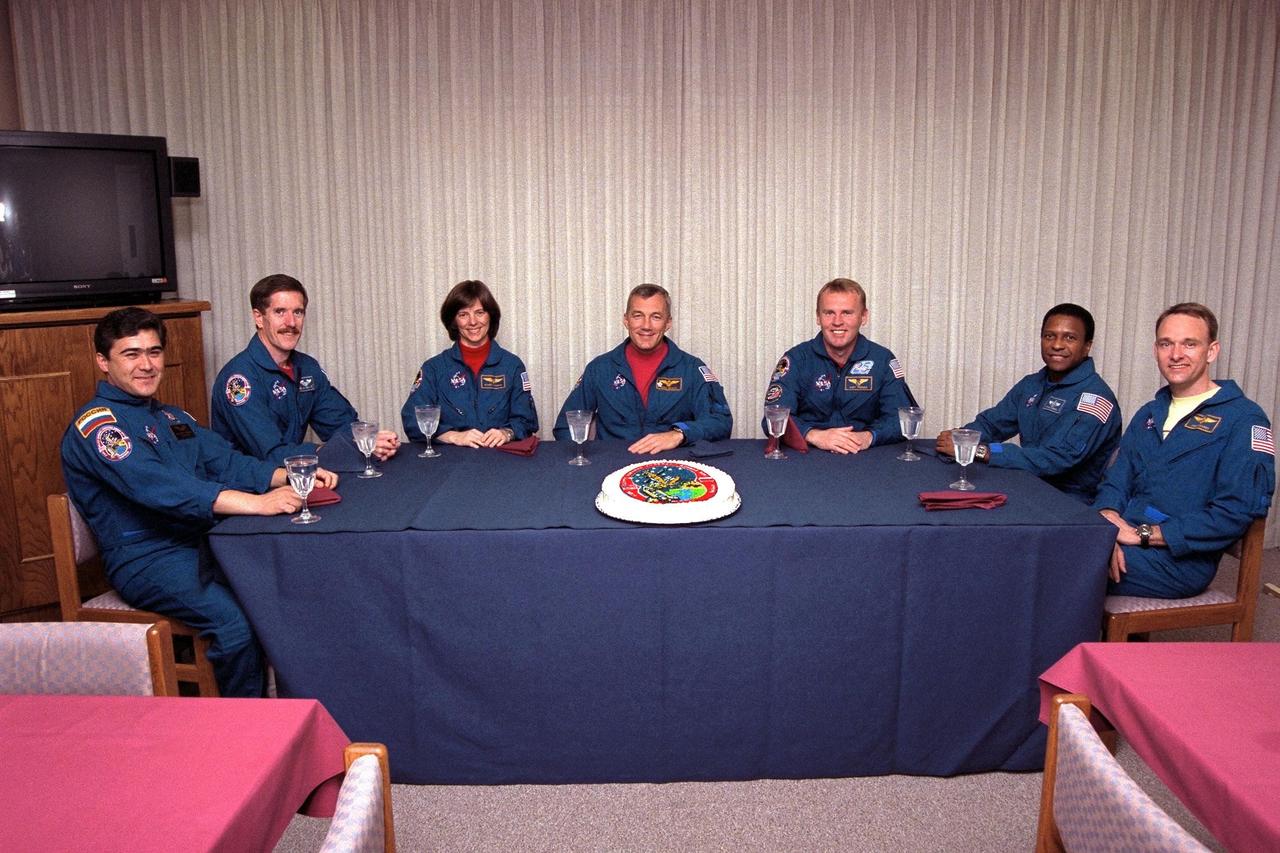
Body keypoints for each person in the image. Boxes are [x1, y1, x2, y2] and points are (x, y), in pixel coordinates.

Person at [60, 307, 339, 697]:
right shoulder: (100, 427)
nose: (146, 365)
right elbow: (162, 488)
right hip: (148, 559)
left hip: (200, 543)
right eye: (131, 354)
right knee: (237, 625)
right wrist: (257, 503)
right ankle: (245, 729)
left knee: (287, 589)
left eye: (154, 352)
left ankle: (298, 710)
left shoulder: (171, 417)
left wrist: (287, 475)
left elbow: (223, 460)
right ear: (103, 362)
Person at [1094, 302, 1274, 598]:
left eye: (1189, 344)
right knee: (1054, 551)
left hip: (1178, 561)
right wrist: (1106, 521)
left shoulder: (1244, 419)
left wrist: (1142, 535)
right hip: (1121, 536)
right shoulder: (1150, 413)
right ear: (1156, 350)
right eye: (1166, 344)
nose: (1176, 354)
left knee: (1061, 565)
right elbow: (1116, 479)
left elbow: (1235, 512)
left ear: (1211, 351)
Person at [935, 304, 1121, 501]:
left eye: (1070, 338)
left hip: (1066, 502)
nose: (1057, 345)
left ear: (1087, 346)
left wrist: (980, 451)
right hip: (1025, 485)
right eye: (1049, 336)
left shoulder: (1096, 400)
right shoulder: (1032, 384)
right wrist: (962, 438)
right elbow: (993, 424)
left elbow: (1057, 458)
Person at [211, 273, 399, 465]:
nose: (291, 323)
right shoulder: (239, 380)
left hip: (298, 477)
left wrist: (368, 441)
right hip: (250, 488)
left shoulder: (307, 368)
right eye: (280, 312)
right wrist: (332, 450)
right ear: (259, 317)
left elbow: (339, 423)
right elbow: (272, 454)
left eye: (298, 312)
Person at [553, 284, 732, 452]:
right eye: (638, 315)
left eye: (656, 317)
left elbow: (721, 422)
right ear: (626, 320)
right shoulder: (599, 369)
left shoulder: (692, 369)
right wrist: (585, 463)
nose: (646, 325)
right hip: (611, 467)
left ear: (668, 323)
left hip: (672, 467)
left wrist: (680, 434)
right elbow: (565, 426)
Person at [762, 278, 913, 453]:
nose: (837, 321)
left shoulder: (882, 360)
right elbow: (773, 415)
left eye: (847, 313)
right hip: (808, 456)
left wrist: (868, 436)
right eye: (829, 313)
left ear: (863, 317)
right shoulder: (796, 359)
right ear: (818, 317)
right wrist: (814, 435)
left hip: (865, 457)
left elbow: (902, 418)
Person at [400, 280, 538, 447]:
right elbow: (412, 419)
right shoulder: (434, 368)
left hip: (501, 460)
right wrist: (452, 436)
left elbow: (527, 420)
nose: (473, 322)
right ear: (453, 321)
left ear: (491, 316)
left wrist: (507, 433)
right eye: (463, 314)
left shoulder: (512, 366)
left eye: (480, 312)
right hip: (449, 463)